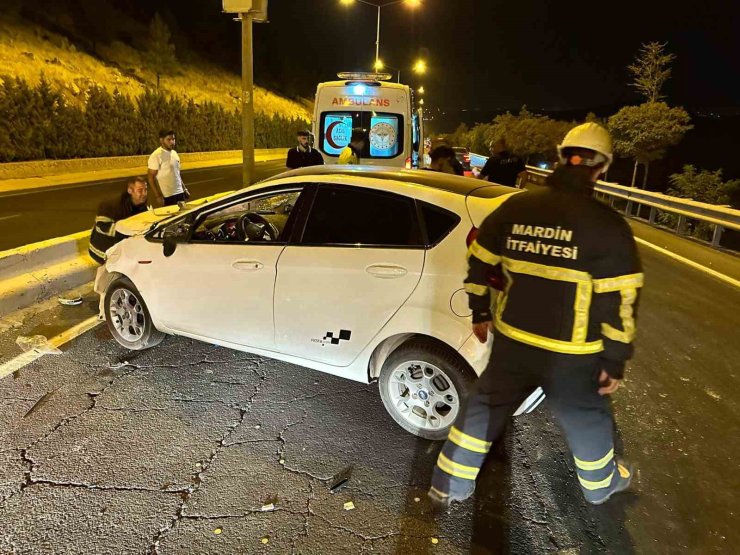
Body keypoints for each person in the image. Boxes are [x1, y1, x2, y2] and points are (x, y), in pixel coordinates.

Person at [428, 123, 644, 509]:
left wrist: (480, 310)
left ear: (562, 157)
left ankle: (450, 484)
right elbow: (621, 301)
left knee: (485, 406)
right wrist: (614, 359)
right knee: (587, 416)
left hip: (514, 340)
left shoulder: (518, 207)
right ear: (603, 167)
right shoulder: (608, 226)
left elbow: (479, 262)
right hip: (573, 352)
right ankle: (599, 485)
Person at [88, 177, 149, 264]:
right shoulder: (112, 205)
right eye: (140, 190)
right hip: (101, 251)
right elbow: (102, 226)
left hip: (120, 247)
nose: (144, 193)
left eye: (146, 190)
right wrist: (127, 231)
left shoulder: (142, 206)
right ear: (130, 190)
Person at [148, 129, 189, 207]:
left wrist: (184, 189)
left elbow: (177, 174)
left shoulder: (175, 154)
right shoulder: (156, 155)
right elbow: (151, 177)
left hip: (180, 193)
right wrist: (158, 196)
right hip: (167, 196)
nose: (172, 142)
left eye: (173, 139)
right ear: (161, 140)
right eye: (169, 139)